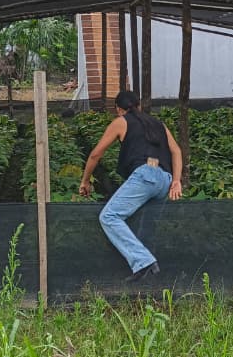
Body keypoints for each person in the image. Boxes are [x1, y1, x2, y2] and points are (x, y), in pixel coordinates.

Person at [78, 90, 183, 281]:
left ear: (118, 109)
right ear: (139, 106)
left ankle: (143, 262)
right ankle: (150, 277)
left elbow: (96, 154)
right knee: (147, 223)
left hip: (146, 175)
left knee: (109, 216)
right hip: (164, 180)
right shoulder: (158, 124)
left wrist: (85, 180)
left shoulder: (121, 122)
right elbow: (176, 151)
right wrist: (176, 181)